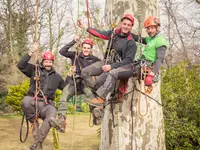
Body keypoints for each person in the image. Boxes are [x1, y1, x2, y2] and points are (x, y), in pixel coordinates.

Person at [82, 15, 168, 107]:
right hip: (138, 64)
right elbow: (138, 38)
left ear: (157, 28)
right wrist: (85, 27)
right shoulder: (150, 39)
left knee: (113, 73)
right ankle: (99, 98)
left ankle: (101, 98)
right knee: (107, 74)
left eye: (152, 28)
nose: (150, 31)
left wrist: (152, 75)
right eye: (148, 28)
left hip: (147, 67)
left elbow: (160, 59)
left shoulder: (160, 41)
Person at [77, 14, 137, 106]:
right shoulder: (113, 34)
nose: (126, 26)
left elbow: (128, 61)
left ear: (131, 27)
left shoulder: (131, 42)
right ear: (121, 24)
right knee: (84, 72)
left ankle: (101, 98)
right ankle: (97, 94)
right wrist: (84, 27)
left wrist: (111, 67)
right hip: (105, 62)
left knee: (98, 83)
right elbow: (100, 33)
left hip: (116, 67)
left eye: (129, 25)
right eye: (124, 24)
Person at [17, 43, 66, 150]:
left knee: (52, 114)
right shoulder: (34, 69)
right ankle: (34, 123)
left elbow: (66, 88)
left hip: (46, 105)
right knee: (26, 100)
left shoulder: (57, 77)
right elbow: (20, 65)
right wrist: (31, 52)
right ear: (43, 62)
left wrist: (72, 77)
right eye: (46, 61)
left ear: (52, 63)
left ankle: (37, 144)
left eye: (50, 62)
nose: (48, 64)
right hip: (33, 101)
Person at [52, 36, 101, 131]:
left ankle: (96, 113)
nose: (86, 50)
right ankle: (61, 120)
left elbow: (102, 67)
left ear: (91, 49)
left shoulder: (94, 59)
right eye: (84, 47)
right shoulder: (75, 55)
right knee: (65, 95)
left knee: (90, 94)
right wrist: (73, 41)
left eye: (88, 48)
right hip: (74, 81)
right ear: (82, 47)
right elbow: (62, 51)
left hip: (85, 83)